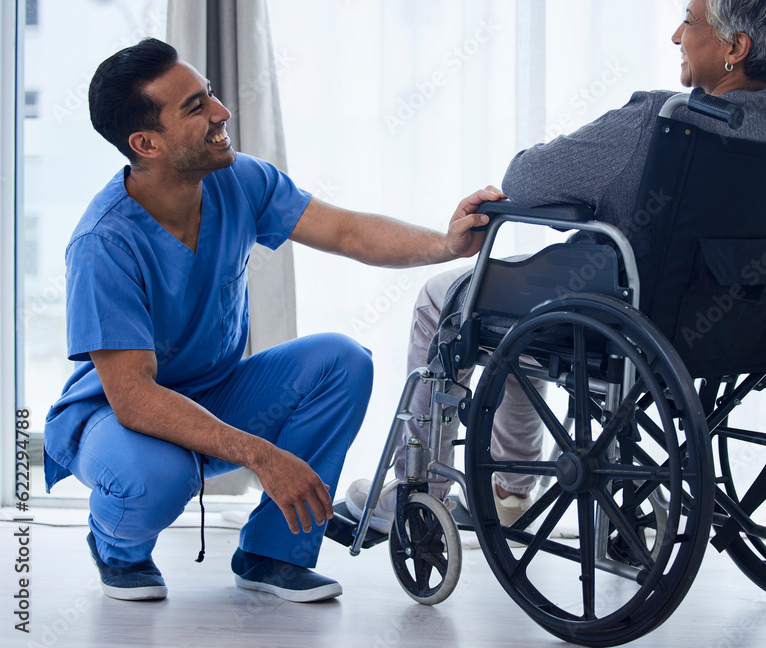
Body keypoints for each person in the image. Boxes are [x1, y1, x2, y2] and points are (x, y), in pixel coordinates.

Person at [346, 0, 766, 532]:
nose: (676, 34)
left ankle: (421, 486)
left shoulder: (661, 119)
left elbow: (525, 180)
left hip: (631, 318)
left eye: (689, 21)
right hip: (737, 324)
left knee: (444, 298)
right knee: (526, 314)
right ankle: (507, 490)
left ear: (734, 47)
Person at [42, 38, 503, 603]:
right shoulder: (102, 244)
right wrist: (263, 456)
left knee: (341, 361)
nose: (221, 112)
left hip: (218, 393)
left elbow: (347, 232)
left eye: (208, 93)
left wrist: (447, 244)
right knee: (155, 477)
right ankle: (117, 546)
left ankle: (272, 554)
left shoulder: (238, 181)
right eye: (195, 107)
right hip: (121, 419)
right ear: (146, 143)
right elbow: (134, 397)